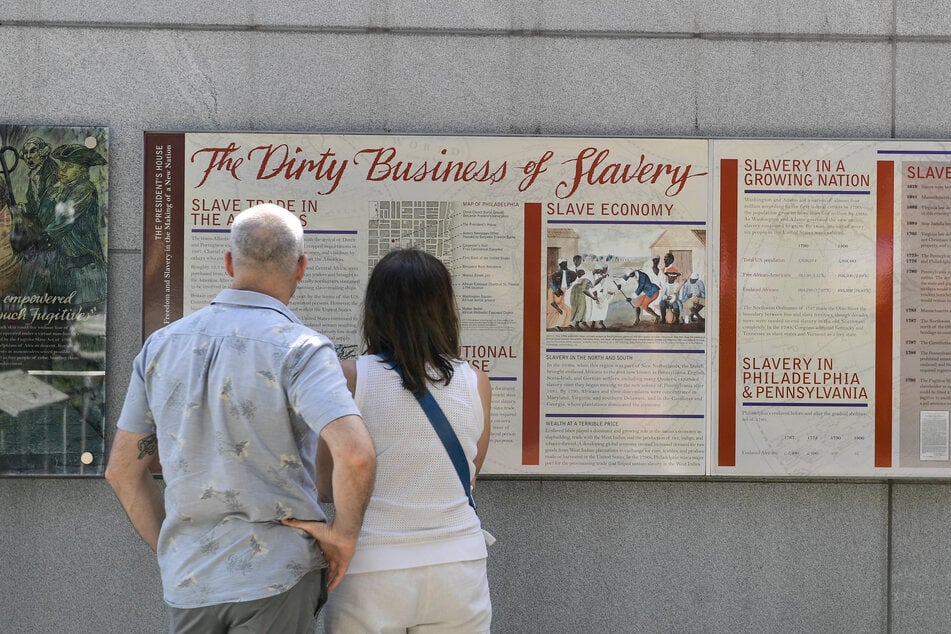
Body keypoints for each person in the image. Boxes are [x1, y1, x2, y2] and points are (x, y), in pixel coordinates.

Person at [106, 204, 376, 634]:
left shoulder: (160, 347)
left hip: (190, 580)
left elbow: (122, 471)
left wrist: (177, 549)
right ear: (301, 267)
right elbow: (356, 455)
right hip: (275, 574)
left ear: (229, 263)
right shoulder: (301, 349)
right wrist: (344, 536)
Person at [288, 248, 493, 633]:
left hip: (371, 565)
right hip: (459, 564)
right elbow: (470, 472)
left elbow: (326, 484)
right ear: (445, 308)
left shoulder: (350, 377)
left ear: (375, 309)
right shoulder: (475, 381)